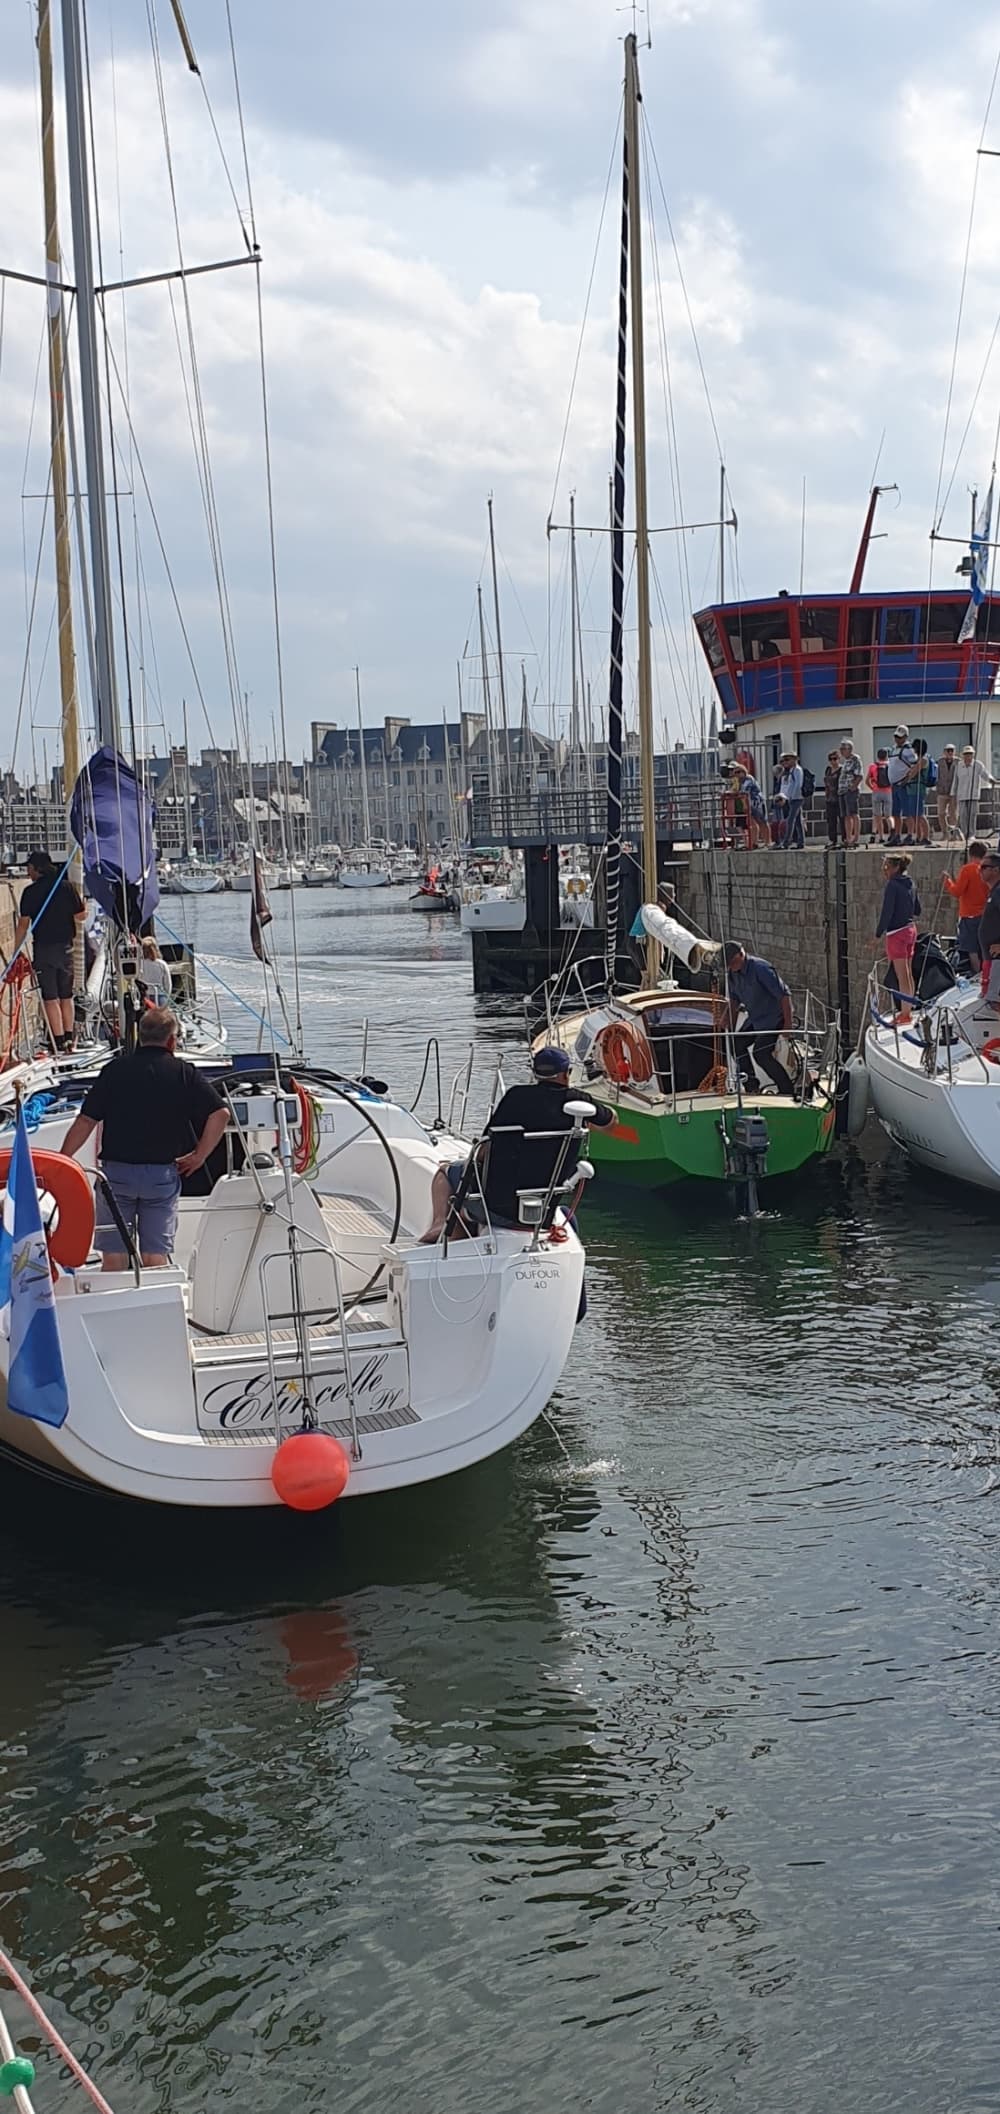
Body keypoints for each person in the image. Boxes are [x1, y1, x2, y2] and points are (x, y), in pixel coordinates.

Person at [59, 1006, 229, 1268]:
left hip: (117, 1175)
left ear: (140, 1036)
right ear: (171, 1041)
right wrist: (199, 1156)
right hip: (160, 1176)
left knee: (114, 1256)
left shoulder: (114, 1070)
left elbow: (86, 1121)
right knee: (154, 1256)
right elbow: (220, 1114)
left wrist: (63, 1161)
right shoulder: (184, 1072)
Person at [421, 1046, 613, 1242]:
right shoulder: (579, 1102)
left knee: (445, 1171)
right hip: (544, 1212)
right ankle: (460, 1222)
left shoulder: (516, 1097)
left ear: (535, 1073)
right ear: (566, 1073)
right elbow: (610, 1121)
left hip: (497, 1209)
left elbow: (483, 1151)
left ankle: (441, 1224)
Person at [12, 848, 86, 1050]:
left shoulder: (30, 892)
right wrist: (85, 906)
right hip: (66, 949)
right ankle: (70, 1038)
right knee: (66, 995)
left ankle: (59, 1041)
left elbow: (23, 925)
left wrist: (16, 952)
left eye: (29, 868)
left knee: (50, 997)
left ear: (36, 868)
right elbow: (81, 916)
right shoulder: (66, 887)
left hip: (44, 949)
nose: (28, 872)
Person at [722, 941, 796, 1096]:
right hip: (755, 1018)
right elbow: (734, 1001)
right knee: (737, 1044)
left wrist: (788, 1025)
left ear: (741, 954)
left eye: (733, 961)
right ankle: (751, 1086)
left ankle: (787, 1090)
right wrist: (728, 1023)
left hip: (773, 1018)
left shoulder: (760, 968)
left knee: (761, 1054)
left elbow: (784, 995)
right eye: (728, 963)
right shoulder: (732, 974)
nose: (731, 966)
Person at [875, 852, 921, 1022]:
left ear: (895, 868)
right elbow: (918, 910)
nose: (884, 870)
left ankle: (905, 1013)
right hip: (911, 930)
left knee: (902, 975)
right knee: (908, 973)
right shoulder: (911, 882)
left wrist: (878, 934)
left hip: (896, 933)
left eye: (886, 867)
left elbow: (887, 913)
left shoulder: (892, 885)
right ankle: (909, 1008)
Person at [943, 839, 989, 972]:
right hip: (985, 915)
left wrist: (947, 882)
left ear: (970, 854)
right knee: (984, 948)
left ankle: (976, 974)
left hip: (969, 916)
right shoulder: (987, 870)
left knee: (972, 949)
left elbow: (957, 892)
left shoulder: (967, 870)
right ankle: (986, 974)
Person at [954, 745, 994, 843]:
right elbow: (955, 780)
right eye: (966, 754)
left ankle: (971, 835)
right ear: (963, 755)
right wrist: (953, 793)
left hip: (973, 795)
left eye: (970, 754)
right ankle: (964, 834)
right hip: (962, 794)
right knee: (963, 816)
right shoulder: (959, 765)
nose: (968, 756)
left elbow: (985, 774)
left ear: (973, 755)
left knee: (972, 815)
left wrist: (991, 780)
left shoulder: (978, 765)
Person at [886, 725, 918, 845]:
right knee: (895, 813)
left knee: (907, 812)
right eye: (896, 737)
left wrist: (907, 779)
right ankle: (897, 836)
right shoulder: (893, 749)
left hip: (904, 785)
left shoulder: (909, 750)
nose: (897, 739)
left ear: (905, 737)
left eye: (900, 737)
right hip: (894, 785)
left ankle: (910, 835)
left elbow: (915, 766)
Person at [977, 851, 1000, 1010]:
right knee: (992, 1002)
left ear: (996, 870)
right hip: (990, 959)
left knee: (996, 1002)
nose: (980, 870)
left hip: (997, 959)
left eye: (984, 867)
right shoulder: (994, 892)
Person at [837, 739, 863, 848]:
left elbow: (859, 775)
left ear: (850, 749)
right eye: (841, 748)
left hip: (850, 791)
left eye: (843, 748)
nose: (841, 751)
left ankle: (855, 838)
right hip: (842, 791)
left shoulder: (855, 759)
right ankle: (848, 838)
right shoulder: (845, 761)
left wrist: (853, 786)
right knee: (846, 815)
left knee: (853, 813)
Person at [777, 752, 805, 850]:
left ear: (794, 759)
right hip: (791, 798)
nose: (785, 762)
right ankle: (801, 842)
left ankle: (786, 842)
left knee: (790, 820)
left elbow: (798, 784)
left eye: (787, 760)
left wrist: (791, 796)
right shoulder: (789, 771)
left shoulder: (797, 770)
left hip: (796, 798)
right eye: (783, 760)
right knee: (798, 821)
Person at [866, 748, 893, 845]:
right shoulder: (890, 766)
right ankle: (892, 833)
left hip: (876, 792)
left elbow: (867, 781)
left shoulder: (873, 766)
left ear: (877, 756)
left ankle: (881, 837)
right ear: (886, 756)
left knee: (878, 816)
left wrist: (873, 788)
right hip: (888, 792)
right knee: (888, 816)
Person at [911, 738, 935, 843]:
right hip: (914, 789)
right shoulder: (919, 759)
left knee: (920, 814)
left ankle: (926, 837)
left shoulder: (923, 760)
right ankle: (918, 836)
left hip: (920, 789)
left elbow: (913, 772)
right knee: (915, 814)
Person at [138, 937, 172, 1006]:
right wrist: (167, 996)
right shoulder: (162, 964)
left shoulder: (139, 964)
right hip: (160, 996)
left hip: (144, 997)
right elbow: (168, 984)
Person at [935, 743, 959, 838]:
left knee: (953, 814)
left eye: (951, 750)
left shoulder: (958, 762)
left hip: (953, 792)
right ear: (944, 752)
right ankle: (945, 833)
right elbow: (937, 775)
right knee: (941, 813)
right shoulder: (939, 762)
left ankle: (953, 834)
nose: (950, 752)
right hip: (942, 791)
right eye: (948, 750)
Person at [823, 749, 842, 848]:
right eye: (830, 759)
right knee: (831, 820)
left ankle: (844, 838)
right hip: (829, 798)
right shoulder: (828, 770)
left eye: (835, 759)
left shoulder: (841, 770)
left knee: (842, 819)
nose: (833, 761)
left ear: (839, 759)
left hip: (839, 798)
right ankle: (832, 840)